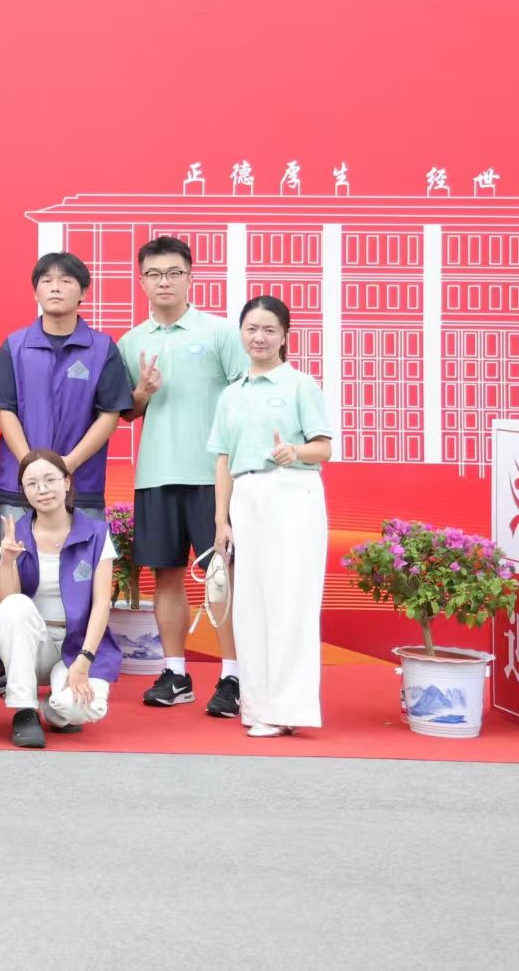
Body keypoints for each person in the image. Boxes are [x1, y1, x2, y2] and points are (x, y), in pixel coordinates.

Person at [118, 237, 247, 716]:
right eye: (154, 274)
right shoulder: (131, 342)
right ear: (142, 281)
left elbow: (245, 396)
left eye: (174, 273)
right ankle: (176, 673)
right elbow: (126, 411)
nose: (164, 282)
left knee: (222, 577)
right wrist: (142, 392)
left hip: (215, 477)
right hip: (156, 475)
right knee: (166, 577)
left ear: (190, 278)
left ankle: (233, 676)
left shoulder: (219, 333)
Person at [208, 295, 333, 739]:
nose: (258, 338)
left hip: (292, 494)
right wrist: (221, 520)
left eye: (269, 330)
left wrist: (294, 451)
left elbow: (324, 448)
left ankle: (288, 708)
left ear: (284, 337)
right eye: (251, 329)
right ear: (241, 333)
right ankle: (258, 705)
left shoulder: (300, 385)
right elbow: (223, 460)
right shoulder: (232, 393)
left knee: (289, 601)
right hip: (246, 498)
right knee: (250, 604)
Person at [0, 253, 133, 528]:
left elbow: (109, 415)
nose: (55, 287)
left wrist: (68, 465)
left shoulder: (103, 348)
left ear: (84, 292)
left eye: (66, 281)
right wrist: (31, 466)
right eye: (47, 281)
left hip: (81, 486)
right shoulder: (14, 347)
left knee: (82, 555)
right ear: (36, 292)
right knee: (18, 555)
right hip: (19, 487)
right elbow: (5, 411)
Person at [0, 450, 120, 749]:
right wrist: (7, 562)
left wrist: (84, 662)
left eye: (50, 480)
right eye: (32, 483)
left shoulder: (96, 533)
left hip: (77, 645)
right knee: (15, 606)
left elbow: (101, 604)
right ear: (24, 491)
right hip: (34, 644)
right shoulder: (17, 532)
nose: (43, 489)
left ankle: (54, 710)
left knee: (84, 709)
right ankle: (24, 711)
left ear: (66, 482)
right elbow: (6, 606)